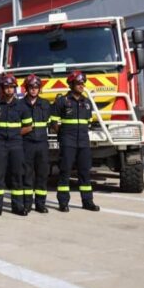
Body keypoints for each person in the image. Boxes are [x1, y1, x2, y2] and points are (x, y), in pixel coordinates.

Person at [50, 71, 100, 213]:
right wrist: (63, 134)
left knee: (85, 172)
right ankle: (63, 203)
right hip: (68, 141)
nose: (81, 86)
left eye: (83, 83)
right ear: (71, 84)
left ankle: (87, 201)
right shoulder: (62, 101)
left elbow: (88, 122)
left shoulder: (87, 102)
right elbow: (54, 122)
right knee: (65, 172)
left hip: (84, 142)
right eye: (78, 83)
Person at [0, 73, 33, 216]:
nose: (9, 90)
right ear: (2, 89)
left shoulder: (22, 106)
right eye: (6, 87)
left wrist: (15, 134)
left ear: (15, 89)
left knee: (17, 175)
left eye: (11, 87)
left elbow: (28, 126)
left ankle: (17, 206)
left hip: (16, 144)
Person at [21, 74, 51, 213]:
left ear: (39, 89)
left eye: (36, 87)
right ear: (26, 88)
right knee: (27, 174)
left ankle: (40, 204)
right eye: (31, 87)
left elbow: (51, 123)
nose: (33, 90)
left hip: (42, 144)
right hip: (26, 143)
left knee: (42, 174)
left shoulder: (45, 104)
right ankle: (27, 204)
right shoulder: (20, 104)